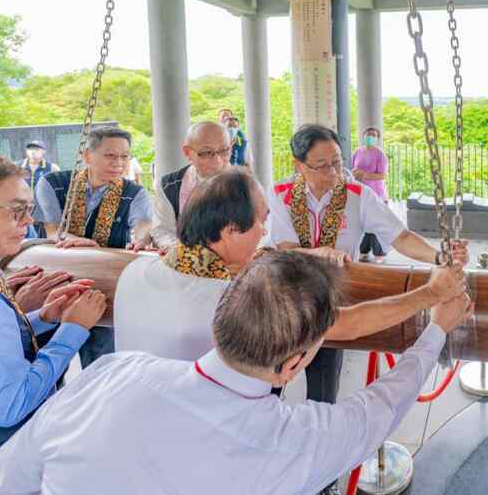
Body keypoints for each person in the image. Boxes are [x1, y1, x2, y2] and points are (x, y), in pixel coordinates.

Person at [0, 250, 472, 495]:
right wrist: (436, 326)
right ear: (295, 363)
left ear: (221, 322)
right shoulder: (296, 441)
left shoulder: (113, 373)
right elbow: (381, 407)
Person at [115, 167, 466, 363]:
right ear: (228, 230)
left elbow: (263, 256)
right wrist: (432, 292)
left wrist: (307, 254)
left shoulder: (135, 272)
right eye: (258, 224)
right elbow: (350, 323)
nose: (264, 232)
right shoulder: (239, 301)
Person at [266, 124, 469, 420]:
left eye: (336, 161)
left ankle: (320, 445)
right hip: (285, 301)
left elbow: (400, 237)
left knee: (323, 389)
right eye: (321, 166)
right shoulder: (280, 193)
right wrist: (317, 254)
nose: (333, 172)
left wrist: (439, 255)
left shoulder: (356, 195)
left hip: (332, 303)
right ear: (299, 165)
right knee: (269, 376)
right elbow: (284, 248)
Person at [0, 156, 106, 487]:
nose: (28, 221)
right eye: (15, 210)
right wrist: (72, 332)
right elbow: (9, 405)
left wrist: (41, 319)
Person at [34, 126, 152, 367]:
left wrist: (142, 240)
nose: (118, 163)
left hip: (102, 290)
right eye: (110, 155)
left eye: (124, 156)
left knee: (101, 365)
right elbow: (53, 231)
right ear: (87, 155)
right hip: (54, 285)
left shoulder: (134, 193)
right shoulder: (53, 183)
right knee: (47, 363)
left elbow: (142, 226)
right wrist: (72, 241)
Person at [147, 121, 231, 252]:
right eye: (207, 152)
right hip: (185, 261)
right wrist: (186, 254)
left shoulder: (247, 185)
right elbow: (162, 230)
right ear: (187, 152)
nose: (218, 160)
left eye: (224, 151)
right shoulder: (170, 186)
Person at [351, 127, 389, 263]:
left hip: (377, 194)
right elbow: (352, 169)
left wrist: (365, 175)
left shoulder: (380, 154)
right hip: (360, 193)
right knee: (362, 223)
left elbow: (383, 175)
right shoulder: (357, 152)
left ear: (377, 138)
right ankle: (364, 250)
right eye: (368, 134)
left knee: (375, 223)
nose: (370, 137)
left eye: (373, 135)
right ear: (363, 136)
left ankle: (380, 253)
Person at [16, 141, 59, 239]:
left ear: (43, 151)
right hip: (22, 208)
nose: (33, 152)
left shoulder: (52, 168)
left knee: (42, 235)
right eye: (30, 149)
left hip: (42, 209)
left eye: (36, 149)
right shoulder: (17, 167)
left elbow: (57, 189)